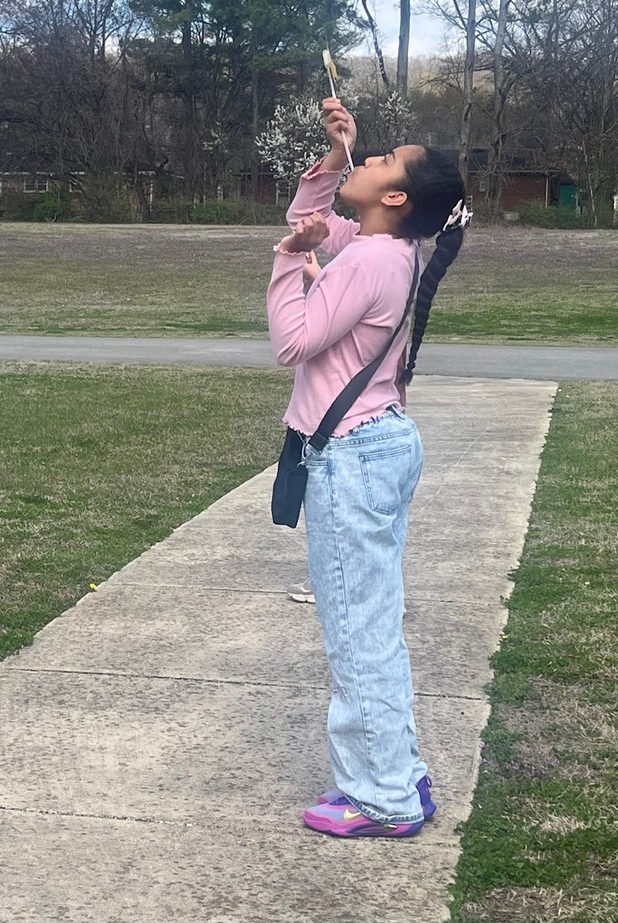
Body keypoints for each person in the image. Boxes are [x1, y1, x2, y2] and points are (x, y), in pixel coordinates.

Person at [266, 98, 468, 838]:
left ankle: (380, 795)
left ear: (396, 198)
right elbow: (312, 214)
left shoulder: (373, 258)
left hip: (351, 456)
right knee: (374, 623)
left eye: (383, 162)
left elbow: (293, 339)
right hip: (378, 444)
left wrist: (292, 262)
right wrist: (336, 158)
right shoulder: (391, 246)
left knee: (357, 631)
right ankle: (400, 772)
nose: (370, 158)